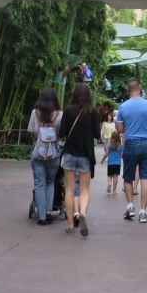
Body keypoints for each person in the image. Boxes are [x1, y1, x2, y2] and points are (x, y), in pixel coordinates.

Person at [115, 77, 147, 223]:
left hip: (130, 143)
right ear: (140, 87)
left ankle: (130, 207)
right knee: (145, 178)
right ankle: (143, 212)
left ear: (127, 89)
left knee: (128, 177)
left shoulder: (123, 107)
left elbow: (119, 129)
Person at [57, 83, 101, 236]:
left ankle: (70, 224)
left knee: (69, 189)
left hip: (69, 153)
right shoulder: (92, 112)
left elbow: (61, 132)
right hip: (86, 154)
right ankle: (82, 213)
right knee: (84, 189)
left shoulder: (68, 111)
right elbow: (97, 134)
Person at [27, 87, 62, 225]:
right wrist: (56, 140)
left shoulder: (35, 113)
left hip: (38, 153)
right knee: (50, 182)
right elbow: (61, 133)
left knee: (39, 183)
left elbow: (31, 131)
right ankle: (48, 212)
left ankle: (41, 217)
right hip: (53, 153)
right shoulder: (60, 114)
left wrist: (36, 142)